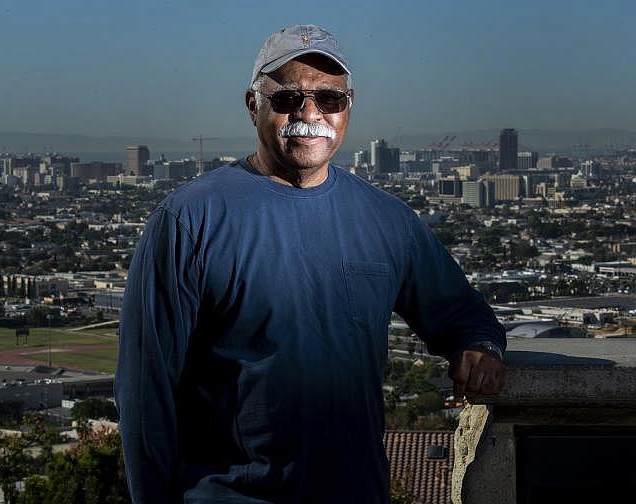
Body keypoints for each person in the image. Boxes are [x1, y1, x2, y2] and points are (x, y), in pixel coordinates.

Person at [116, 24, 506, 503]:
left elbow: (461, 312)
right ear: (252, 104)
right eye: (287, 99)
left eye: (329, 99)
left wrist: (480, 345)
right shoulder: (188, 222)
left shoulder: (388, 220)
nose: (309, 114)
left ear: (349, 107)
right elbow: (144, 393)